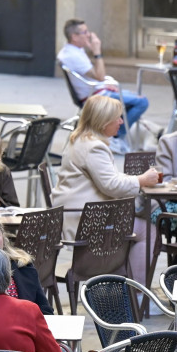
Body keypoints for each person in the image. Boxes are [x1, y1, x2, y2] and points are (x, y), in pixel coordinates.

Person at [51, 96, 157, 286]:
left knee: (141, 227)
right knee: (148, 231)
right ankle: (138, 295)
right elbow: (111, 185)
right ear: (103, 122)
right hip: (86, 221)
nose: (121, 122)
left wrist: (136, 180)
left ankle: (122, 288)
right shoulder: (94, 147)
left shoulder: (81, 140)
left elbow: (109, 178)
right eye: (117, 118)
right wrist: (141, 180)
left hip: (80, 216)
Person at [57, 18, 148, 155]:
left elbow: (98, 78)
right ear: (74, 37)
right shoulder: (73, 55)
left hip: (98, 89)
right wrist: (97, 51)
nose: (89, 34)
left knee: (134, 96)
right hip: (95, 95)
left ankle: (116, 135)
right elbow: (99, 76)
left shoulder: (72, 49)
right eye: (85, 32)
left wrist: (108, 84)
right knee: (142, 102)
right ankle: (116, 137)